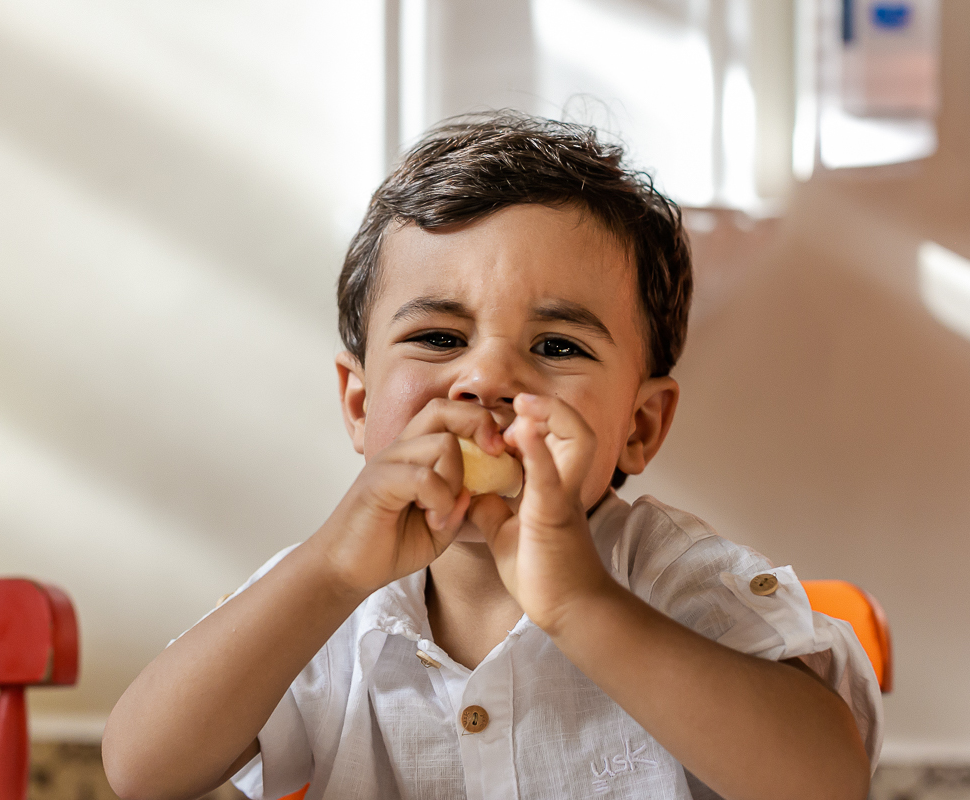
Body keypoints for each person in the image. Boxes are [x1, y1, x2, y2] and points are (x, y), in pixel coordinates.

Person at [102, 112, 881, 800]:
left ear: (639, 427)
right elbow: (142, 768)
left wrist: (581, 603)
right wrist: (331, 571)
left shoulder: (680, 583)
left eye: (556, 346)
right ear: (360, 403)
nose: (487, 378)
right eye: (440, 338)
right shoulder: (328, 599)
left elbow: (826, 781)